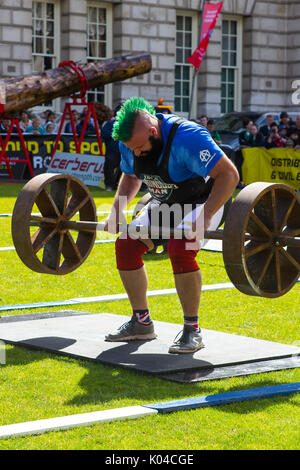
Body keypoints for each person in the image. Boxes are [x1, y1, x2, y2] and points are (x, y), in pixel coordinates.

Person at [103, 97, 239, 354]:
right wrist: (116, 212)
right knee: (126, 245)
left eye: (140, 147)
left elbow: (229, 175)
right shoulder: (130, 141)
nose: (136, 153)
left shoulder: (188, 137)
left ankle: (192, 329)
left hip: (205, 200)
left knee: (180, 248)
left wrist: (206, 216)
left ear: (153, 132)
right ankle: (141, 323)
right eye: (130, 148)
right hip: (168, 200)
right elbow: (130, 176)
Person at [101, 104, 122, 191]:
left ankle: (118, 185)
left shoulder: (129, 124)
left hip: (125, 152)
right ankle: (109, 185)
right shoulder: (110, 124)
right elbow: (104, 134)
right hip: (112, 151)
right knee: (109, 166)